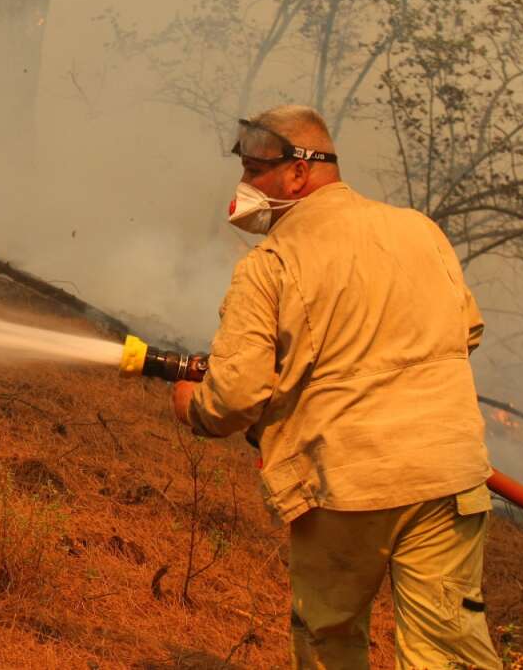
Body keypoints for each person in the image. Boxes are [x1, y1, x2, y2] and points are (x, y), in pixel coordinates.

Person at [171, 105, 501, 669]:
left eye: (255, 172)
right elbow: (465, 329)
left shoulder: (270, 264)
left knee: (330, 642)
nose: (244, 186)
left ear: (298, 174)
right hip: (448, 475)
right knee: (447, 653)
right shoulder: (419, 230)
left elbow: (235, 397)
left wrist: (193, 406)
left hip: (347, 485)